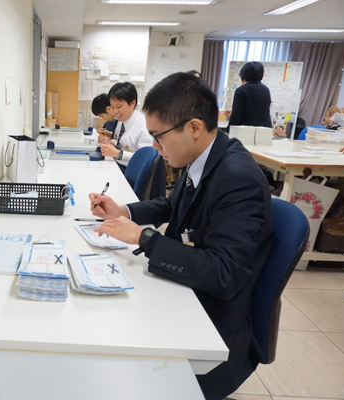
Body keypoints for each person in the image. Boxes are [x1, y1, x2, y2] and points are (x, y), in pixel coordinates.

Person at [89, 72, 274, 400]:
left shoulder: (237, 178)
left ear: (193, 127)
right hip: (186, 295)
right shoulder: (203, 154)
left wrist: (145, 238)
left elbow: (224, 274)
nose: (156, 147)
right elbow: (171, 205)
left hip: (212, 325)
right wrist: (124, 212)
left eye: (159, 137)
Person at [100, 82, 154, 173]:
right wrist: (112, 144)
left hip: (132, 173)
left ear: (133, 103)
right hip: (119, 166)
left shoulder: (144, 125)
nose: (115, 111)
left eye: (119, 106)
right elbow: (121, 142)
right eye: (112, 107)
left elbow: (147, 159)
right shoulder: (122, 120)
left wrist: (118, 154)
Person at [226, 61, 272, 132]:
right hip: (264, 130)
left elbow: (236, 115)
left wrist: (228, 130)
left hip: (245, 130)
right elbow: (259, 110)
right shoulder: (266, 90)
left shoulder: (241, 90)